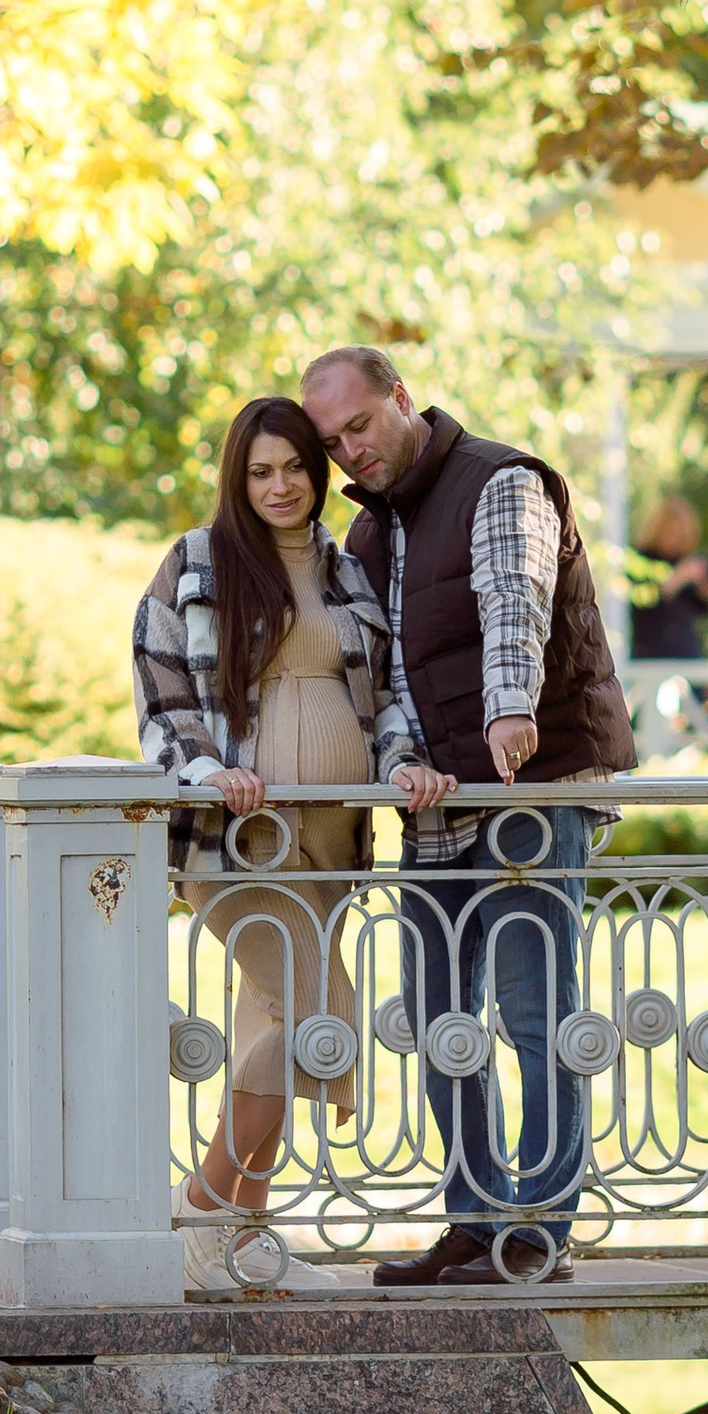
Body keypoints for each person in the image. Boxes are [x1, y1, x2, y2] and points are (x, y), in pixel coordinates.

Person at [300, 344, 638, 1287]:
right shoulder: (370, 536)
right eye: (332, 443)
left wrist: (508, 710)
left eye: (359, 426)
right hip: (440, 800)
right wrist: (402, 760)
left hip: (532, 788)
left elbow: (513, 601)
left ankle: (543, 1229)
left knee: (537, 1013)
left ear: (402, 399)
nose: (350, 454)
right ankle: (475, 1216)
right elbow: (389, 677)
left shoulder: (499, 482)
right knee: (439, 1012)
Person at [133, 396, 454, 1294]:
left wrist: (403, 764)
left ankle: (243, 1241)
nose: (281, 486)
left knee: (276, 1021)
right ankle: (200, 1207)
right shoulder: (196, 563)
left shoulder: (346, 569)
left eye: (296, 468)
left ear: (320, 473)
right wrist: (204, 771)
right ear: (238, 479)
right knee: (316, 1018)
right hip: (239, 840)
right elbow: (161, 692)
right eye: (260, 471)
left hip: (333, 840)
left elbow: (386, 695)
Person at [629, 492, 708, 660]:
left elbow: (706, 609)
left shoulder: (689, 560)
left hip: (685, 652)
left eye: (680, 534)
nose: (674, 539)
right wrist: (678, 577)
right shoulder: (640, 560)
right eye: (669, 531)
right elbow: (646, 599)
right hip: (650, 653)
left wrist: (704, 587)